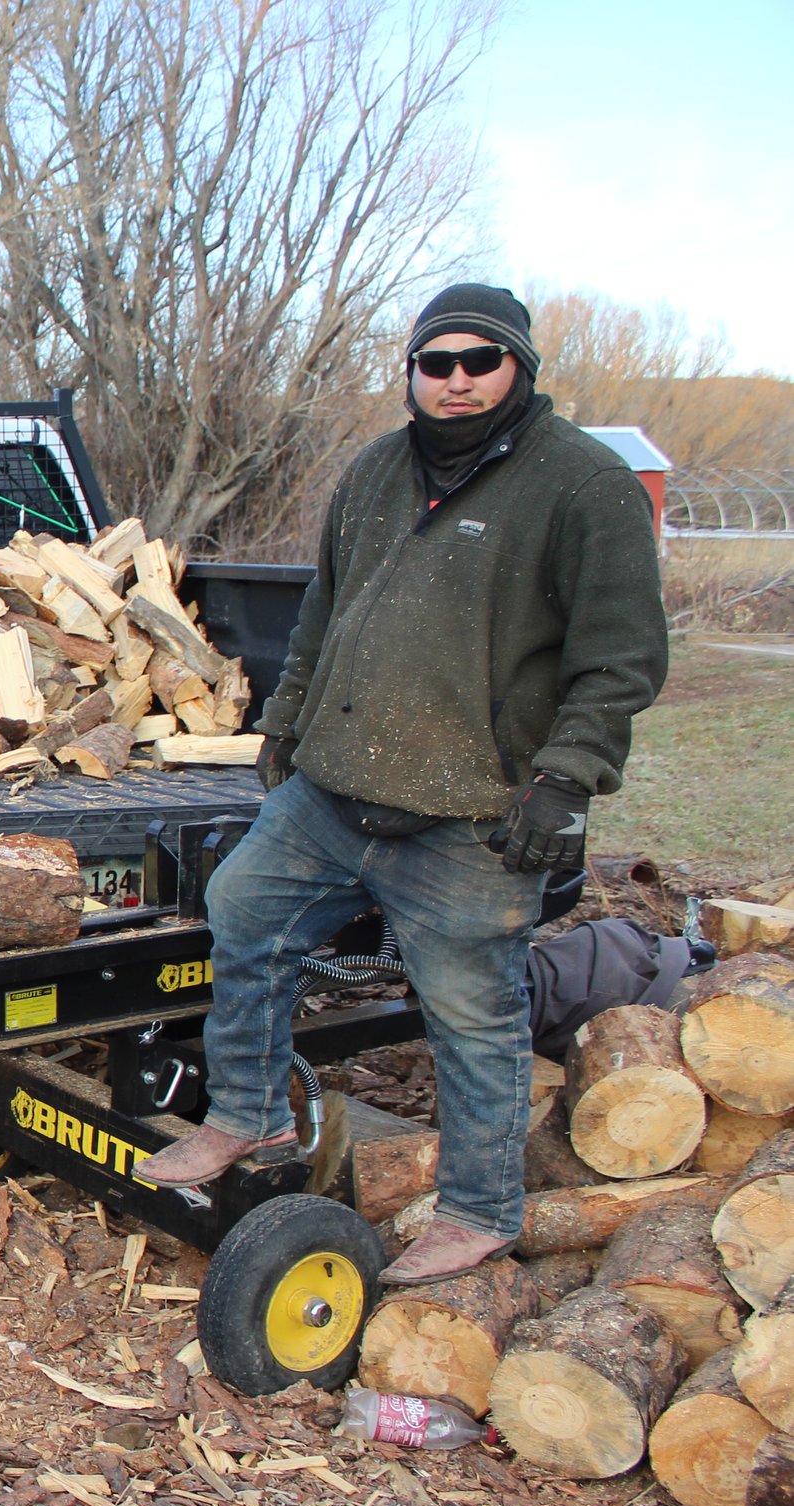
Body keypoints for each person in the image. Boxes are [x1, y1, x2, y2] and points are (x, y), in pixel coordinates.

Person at [132, 284, 668, 1285]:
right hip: (332, 793)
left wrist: (567, 777)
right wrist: (285, 724)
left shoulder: (581, 485)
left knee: (471, 1010)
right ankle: (245, 1112)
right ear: (412, 371)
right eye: (436, 362)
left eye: (479, 360)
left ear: (518, 367)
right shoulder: (376, 471)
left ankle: (476, 1209)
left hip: (475, 814)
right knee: (240, 908)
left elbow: (622, 656)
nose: (456, 380)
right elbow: (321, 614)